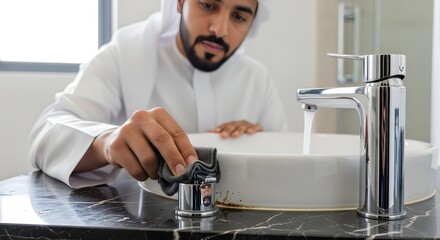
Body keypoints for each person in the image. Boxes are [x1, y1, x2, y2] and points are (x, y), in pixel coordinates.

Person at [29, 0, 288, 189]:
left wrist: (255, 144)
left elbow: (286, 164)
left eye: (239, 17)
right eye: (208, 5)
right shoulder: (126, 54)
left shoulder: (257, 79)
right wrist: (106, 143)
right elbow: (45, 135)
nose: (219, 29)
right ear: (180, 3)